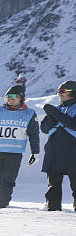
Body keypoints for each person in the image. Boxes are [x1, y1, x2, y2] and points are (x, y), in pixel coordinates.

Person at [0, 83, 39, 208]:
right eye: (7, 96)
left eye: (13, 96)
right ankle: (0, 198)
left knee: (7, 181)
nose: (10, 99)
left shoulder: (29, 114)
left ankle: (1, 206)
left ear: (21, 97)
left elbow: (34, 134)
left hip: (14, 152)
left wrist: (35, 152)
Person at [41, 80, 76, 211]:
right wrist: (51, 118)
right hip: (54, 153)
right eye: (58, 92)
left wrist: (56, 115)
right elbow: (44, 129)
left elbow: (74, 125)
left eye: (62, 91)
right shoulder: (57, 109)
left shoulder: (57, 111)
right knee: (53, 187)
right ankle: (53, 211)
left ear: (72, 92)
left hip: (73, 153)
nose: (59, 94)